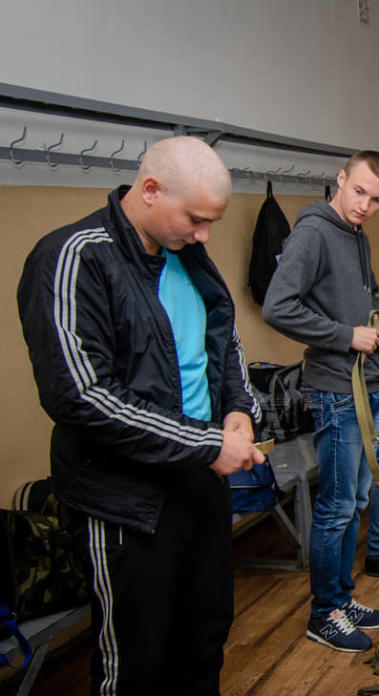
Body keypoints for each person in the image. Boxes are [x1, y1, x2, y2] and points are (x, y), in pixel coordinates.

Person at [16, 136, 265, 695]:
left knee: (204, 639)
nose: (204, 235)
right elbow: (81, 396)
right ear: (149, 190)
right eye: (196, 219)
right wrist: (206, 444)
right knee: (137, 661)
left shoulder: (186, 254)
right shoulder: (73, 256)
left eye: (211, 223)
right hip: (127, 501)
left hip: (201, 485)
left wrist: (238, 412)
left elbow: (223, 344)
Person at [263, 151, 379, 654]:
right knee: (338, 506)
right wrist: (347, 335)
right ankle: (324, 614)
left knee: (373, 483)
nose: (366, 205)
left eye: (378, 199)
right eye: (359, 191)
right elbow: (278, 306)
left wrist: (375, 324)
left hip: (367, 384)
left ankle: (342, 598)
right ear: (340, 180)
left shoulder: (355, 234)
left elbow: (360, 295)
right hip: (335, 388)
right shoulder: (314, 232)